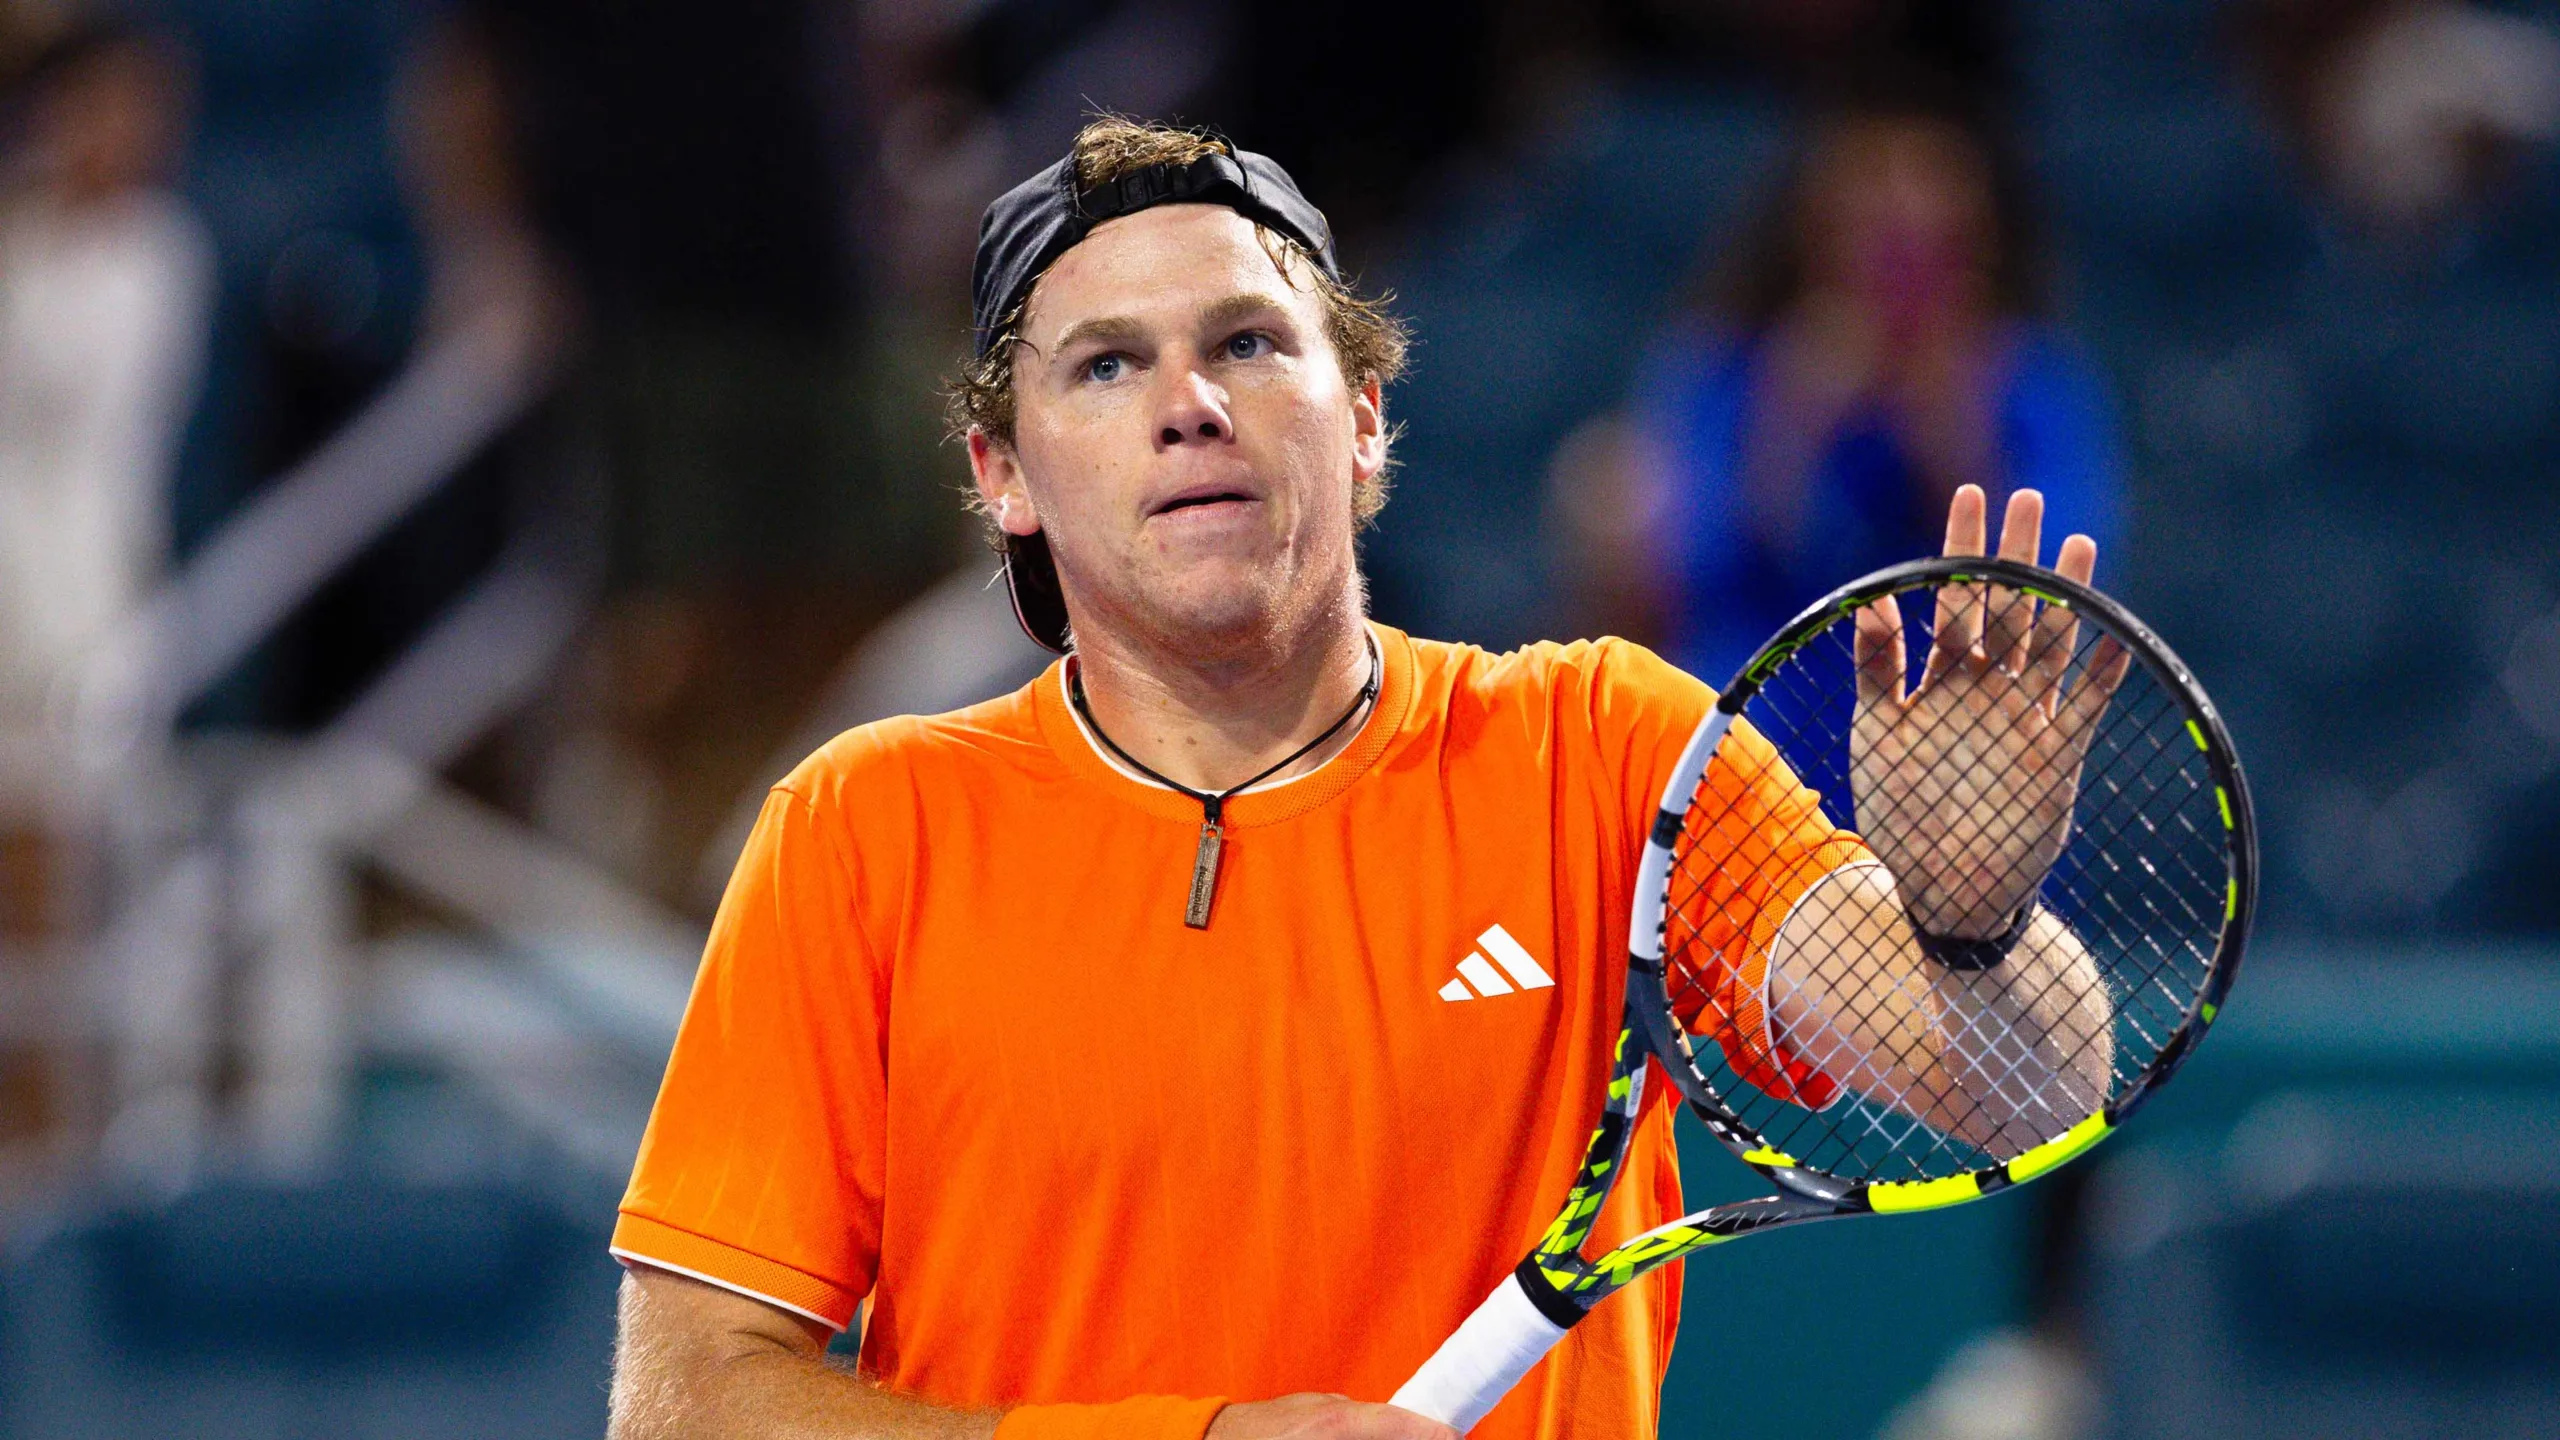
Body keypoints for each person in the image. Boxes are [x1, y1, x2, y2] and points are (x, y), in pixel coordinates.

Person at [605, 118, 2119, 1440]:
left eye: (1249, 343)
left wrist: (1969, 916)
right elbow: (687, 1406)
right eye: (1107, 364)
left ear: (1367, 419)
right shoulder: (865, 829)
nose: (1189, 402)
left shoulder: (1605, 750)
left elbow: (2029, 1090)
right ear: (1003, 474)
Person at [1556, 88, 2123, 685]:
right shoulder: (1720, 374)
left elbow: (2055, 598)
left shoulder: (2038, 388)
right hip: (1748, 720)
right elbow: (1691, 573)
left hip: (1953, 726)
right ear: (1815, 226)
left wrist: (1947, 429)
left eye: (1928, 238)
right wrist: (1793, 421)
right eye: (1876, 229)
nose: (1898, 262)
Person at [0, 22, 211, 727]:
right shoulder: (21, 233)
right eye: (92, 106)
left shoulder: (160, 254)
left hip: (86, 563)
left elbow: (69, 391)